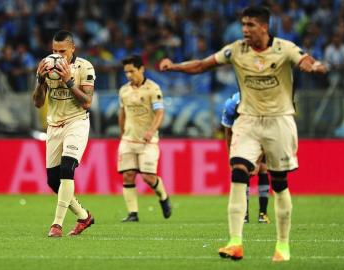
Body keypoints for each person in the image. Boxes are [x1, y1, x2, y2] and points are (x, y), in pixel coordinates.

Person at [160, 6, 327, 261]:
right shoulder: (236, 49)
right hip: (247, 120)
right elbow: (203, 65)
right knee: (238, 171)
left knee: (279, 184)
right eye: (243, 25)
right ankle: (235, 242)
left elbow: (305, 59)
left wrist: (314, 67)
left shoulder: (285, 48)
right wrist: (174, 67)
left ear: (264, 27)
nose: (245, 30)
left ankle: (282, 246)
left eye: (250, 25)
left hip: (279, 120)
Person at [32, 30, 96, 237]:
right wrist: (40, 81)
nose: (58, 55)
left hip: (76, 123)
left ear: (72, 49)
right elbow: (38, 102)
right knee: (53, 181)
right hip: (54, 126)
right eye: (54, 51)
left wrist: (69, 81)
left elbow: (87, 103)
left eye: (62, 51)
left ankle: (56, 224)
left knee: (67, 167)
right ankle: (84, 216)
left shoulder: (84, 67)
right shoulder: (47, 65)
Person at [118, 55, 171, 222]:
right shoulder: (124, 90)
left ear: (141, 69)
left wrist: (151, 130)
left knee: (148, 177)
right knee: (128, 175)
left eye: (131, 71)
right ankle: (133, 213)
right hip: (128, 140)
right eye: (126, 72)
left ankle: (163, 196)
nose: (128, 75)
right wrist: (122, 132)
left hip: (148, 141)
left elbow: (160, 112)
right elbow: (122, 113)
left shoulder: (153, 89)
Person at [221, 92, 270, 224]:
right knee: (242, 170)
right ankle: (245, 214)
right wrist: (231, 157)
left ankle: (263, 214)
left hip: (262, 135)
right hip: (243, 136)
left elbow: (266, 134)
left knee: (263, 169)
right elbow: (228, 133)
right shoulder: (231, 105)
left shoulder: (262, 102)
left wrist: (258, 162)